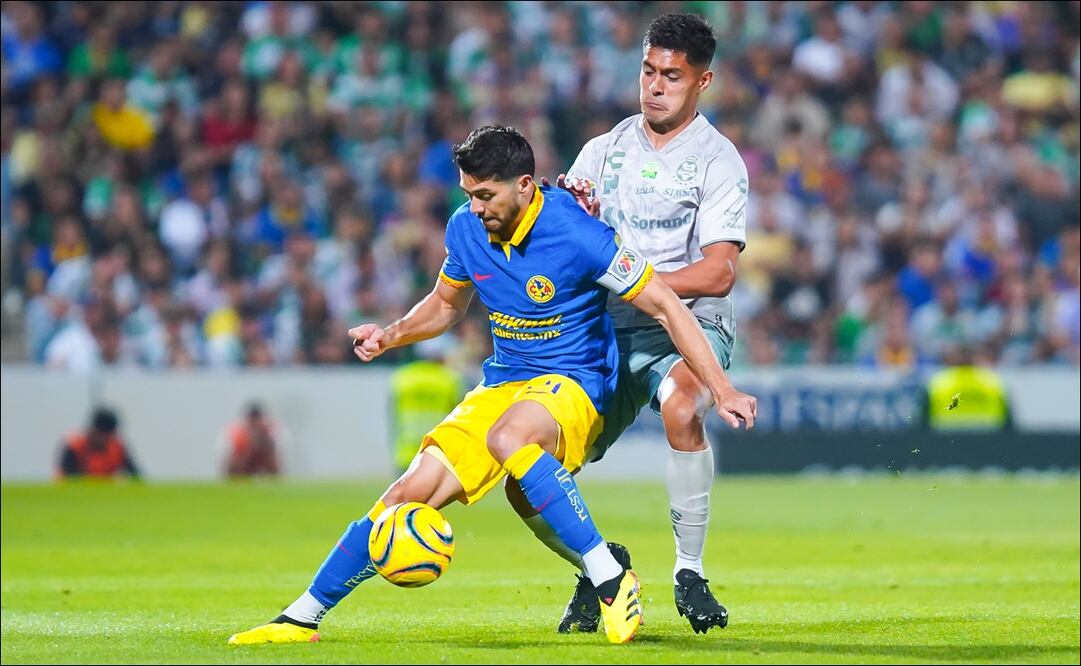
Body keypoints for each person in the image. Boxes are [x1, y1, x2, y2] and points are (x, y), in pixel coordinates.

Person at [228, 125, 756, 646]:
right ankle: (300, 617)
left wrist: (722, 387)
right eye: (468, 194)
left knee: (510, 440)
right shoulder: (464, 228)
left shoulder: (579, 234)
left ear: (525, 186)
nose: (476, 207)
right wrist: (390, 335)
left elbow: (664, 304)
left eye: (486, 195)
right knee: (404, 497)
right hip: (504, 381)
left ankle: (610, 580)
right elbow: (445, 304)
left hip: (573, 381)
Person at [520, 13, 751, 635]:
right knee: (536, 461)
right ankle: (600, 568)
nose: (654, 86)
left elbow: (718, 275)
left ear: (703, 81)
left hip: (687, 326)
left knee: (682, 407)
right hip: (603, 332)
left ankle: (689, 572)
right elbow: (562, 239)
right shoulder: (603, 150)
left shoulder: (718, 161)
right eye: (648, 71)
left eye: (671, 76)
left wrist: (636, 283)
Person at [387, 336, 464, 473]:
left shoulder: (402, 377)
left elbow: (393, 414)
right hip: (438, 452)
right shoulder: (451, 379)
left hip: (406, 451)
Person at [56, 407, 141, 479]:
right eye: (103, 434)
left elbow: (136, 475)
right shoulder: (75, 447)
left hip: (108, 495)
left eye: (110, 435)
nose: (106, 438)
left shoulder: (117, 448)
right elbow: (65, 478)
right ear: (93, 430)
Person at [222, 402, 282, 477]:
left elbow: (276, 459)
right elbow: (230, 463)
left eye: (257, 419)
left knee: (272, 459)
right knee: (235, 461)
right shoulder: (238, 433)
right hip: (244, 463)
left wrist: (263, 442)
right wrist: (249, 447)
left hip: (263, 460)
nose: (255, 424)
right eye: (252, 420)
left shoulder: (271, 432)